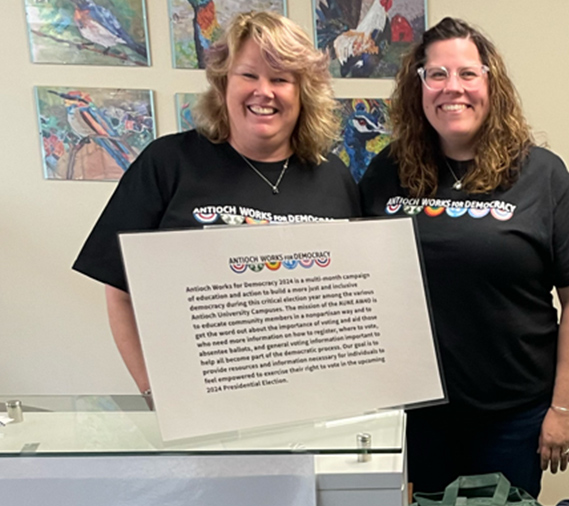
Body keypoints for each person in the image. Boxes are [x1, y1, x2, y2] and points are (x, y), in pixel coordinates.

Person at [359, 17, 569, 498]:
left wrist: (564, 408)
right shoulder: (387, 170)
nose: (452, 88)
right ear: (419, 88)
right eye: (437, 75)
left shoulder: (541, 173)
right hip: (416, 416)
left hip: (512, 418)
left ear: (491, 83)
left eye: (467, 74)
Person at [73, 12, 359, 397]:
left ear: (303, 92)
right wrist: (153, 390)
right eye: (249, 75)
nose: (264, 91)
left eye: (280, 79)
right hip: (200, 402)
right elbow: (120, 291)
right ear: (223, 83)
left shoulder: (333, 176)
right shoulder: (168, 163)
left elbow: (353, 301)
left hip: (314, 401)